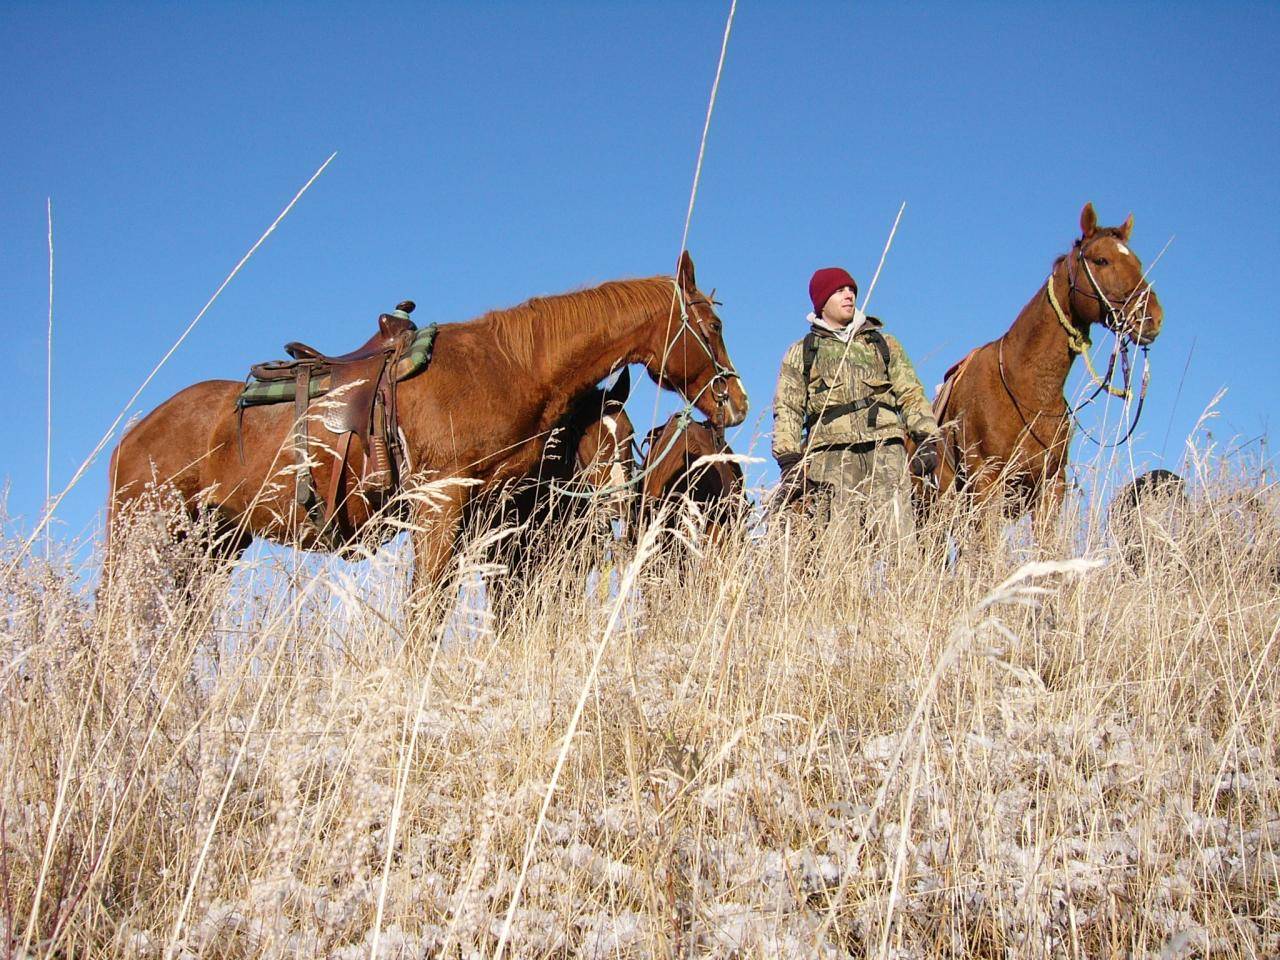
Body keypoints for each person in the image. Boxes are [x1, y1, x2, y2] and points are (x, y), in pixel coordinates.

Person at [772, 266, 941, 535]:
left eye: (851, 289)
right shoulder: (801, 352)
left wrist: (927, 439)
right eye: (839, 290)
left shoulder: (883, 344)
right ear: (822, 302)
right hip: (830, 458)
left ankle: (905, 579)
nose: (849, 295)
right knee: (838, 548)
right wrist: (790, 461)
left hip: (886, 450)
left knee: (901, 541)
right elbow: (788, 408)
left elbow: (910, 393)